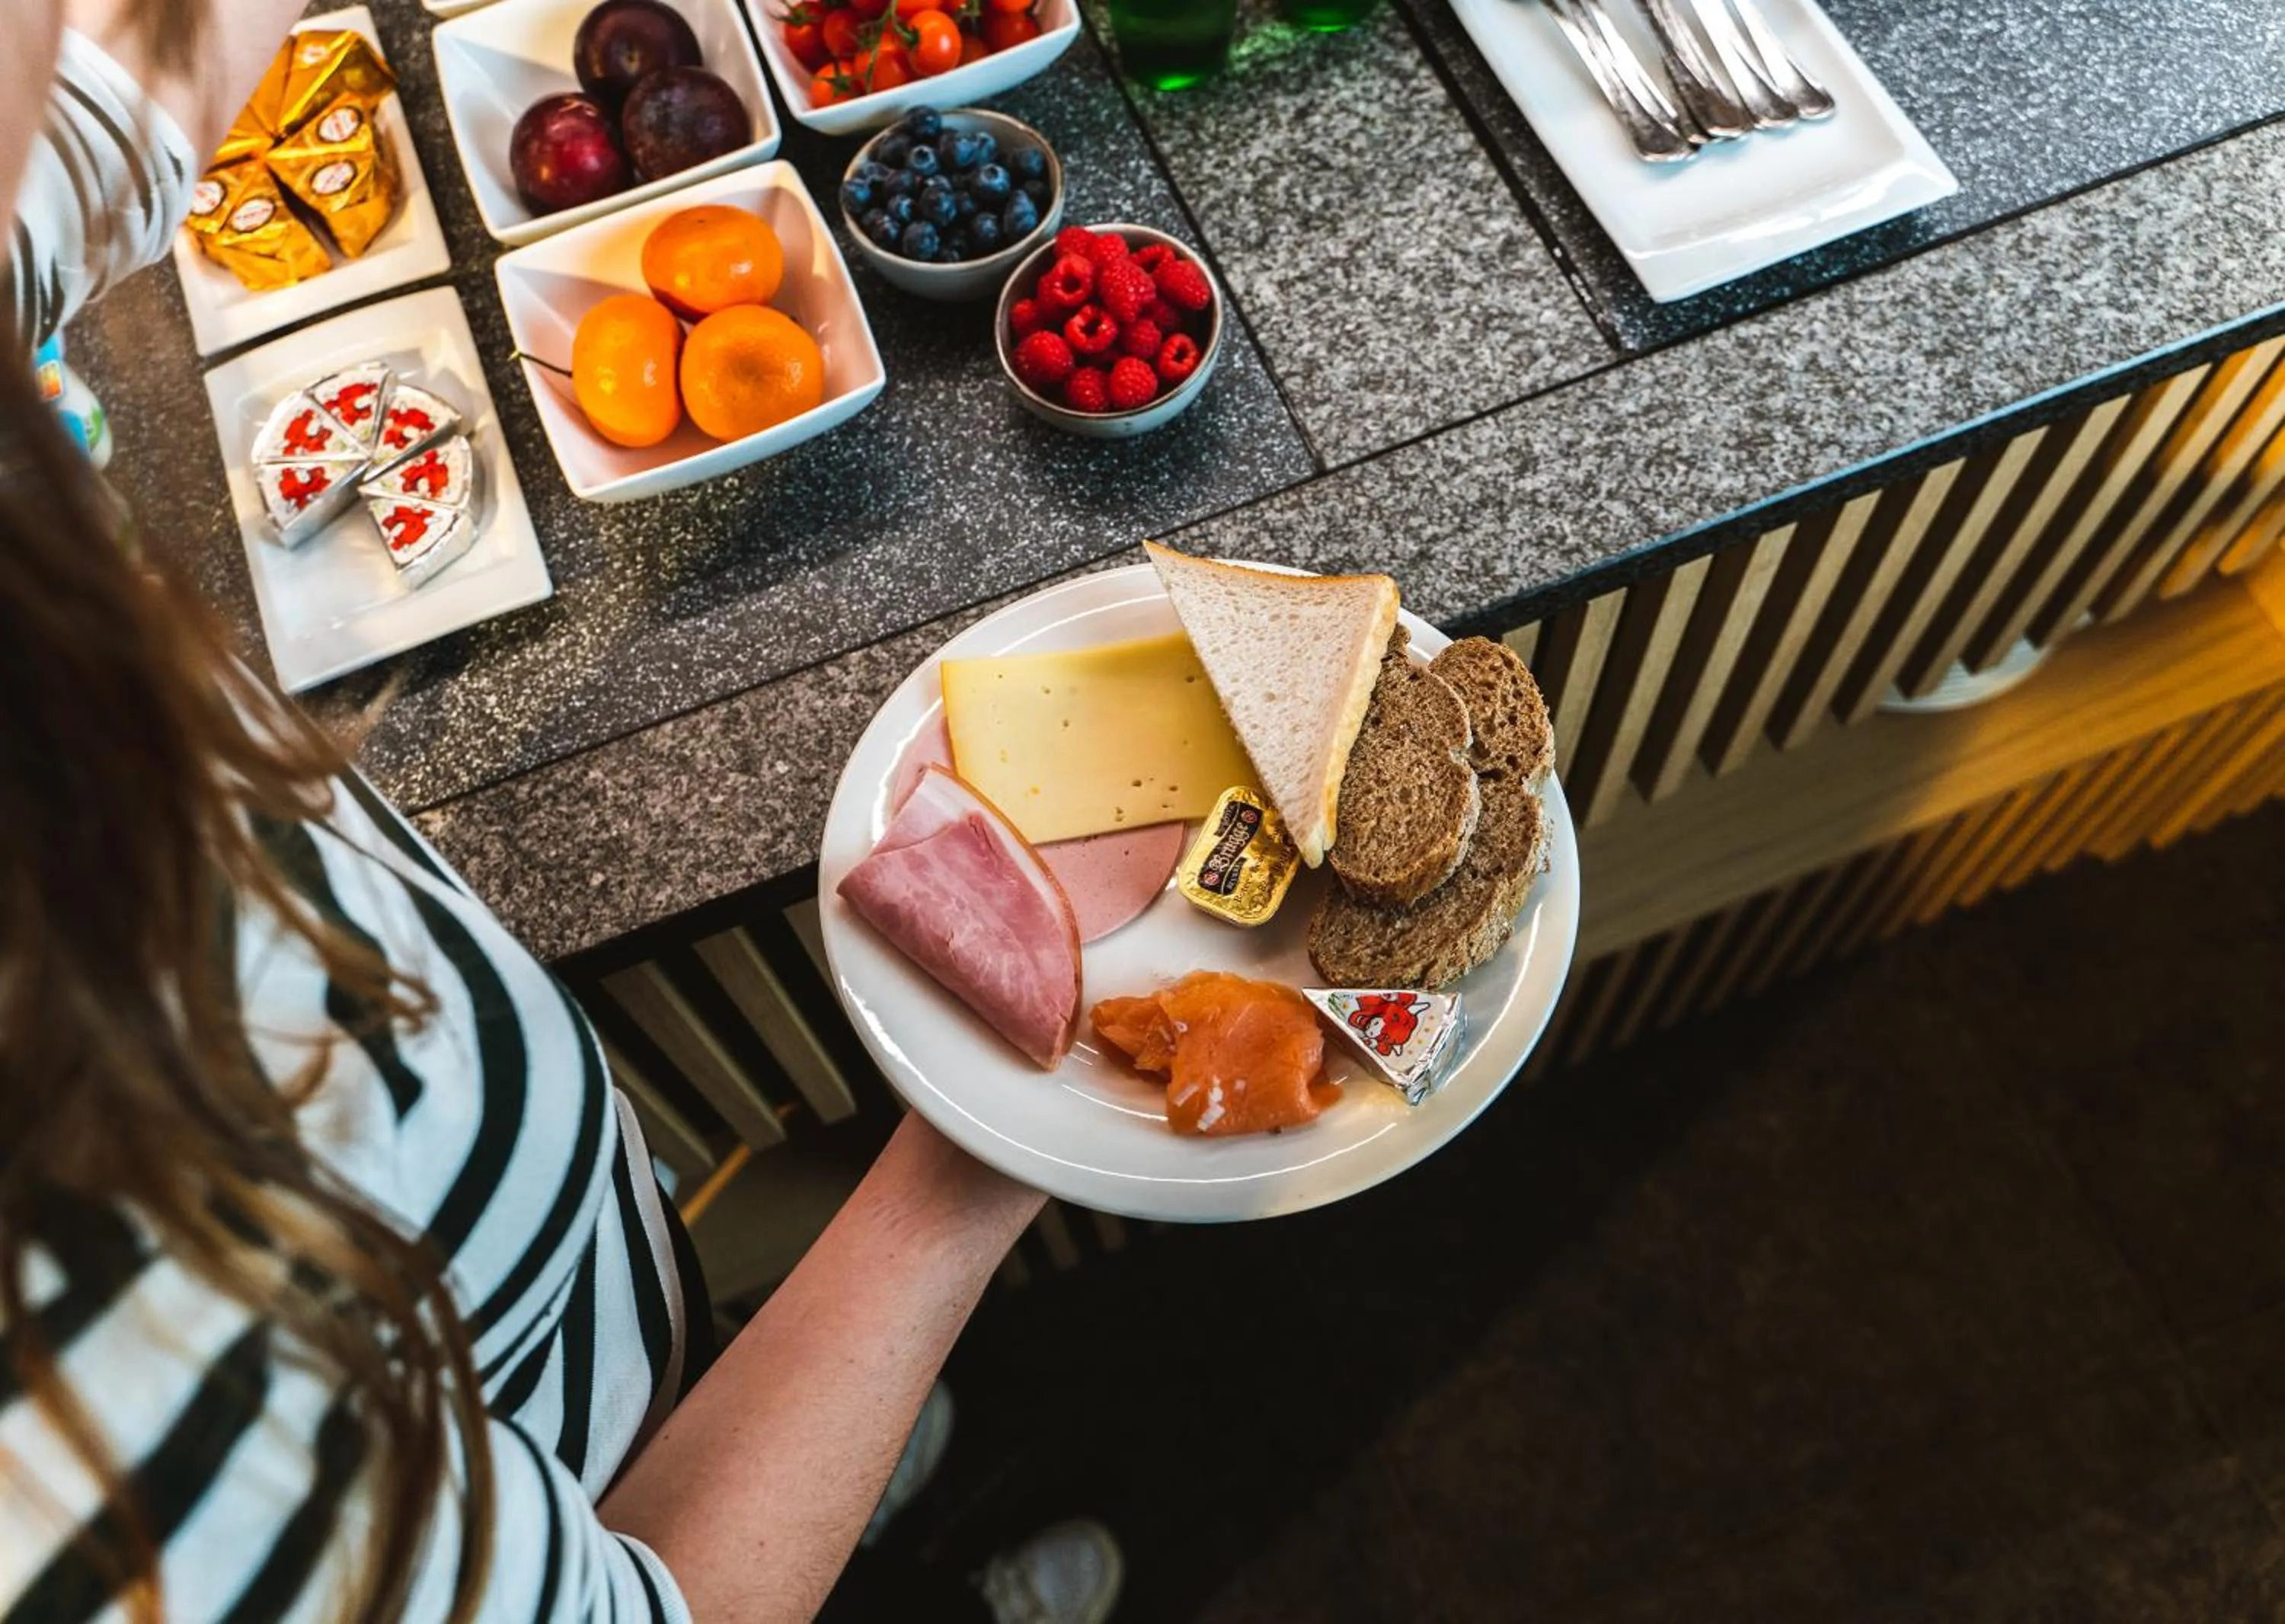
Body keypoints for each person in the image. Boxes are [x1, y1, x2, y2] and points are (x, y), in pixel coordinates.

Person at [0, 4, 1120, 1620]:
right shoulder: (88, 1421)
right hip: (606, 1530)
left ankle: (796, 1424)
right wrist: (989, 1143)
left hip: (569, 1338)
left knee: (743, 1396)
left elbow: (138, 91)